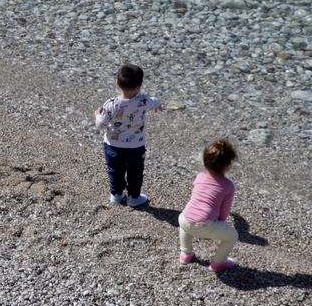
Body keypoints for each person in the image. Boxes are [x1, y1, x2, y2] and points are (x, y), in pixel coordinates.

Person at [94, 63, 162, 207]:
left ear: (117, 83)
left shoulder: (110, 104)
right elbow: (155, 101)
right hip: (136, 146)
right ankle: (134, 197)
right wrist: (158, 104)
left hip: (113, 146)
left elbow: (101, 125)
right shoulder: (143, 101)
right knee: (135, 172)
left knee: (115, 171)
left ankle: (116, 195)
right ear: (139, 86)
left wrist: (97, 115)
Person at [178, 139, 239, 272]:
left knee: (185, 225)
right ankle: (218, 263)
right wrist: (219, 224)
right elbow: (224, 211)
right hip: (206, 224)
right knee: (233, 235)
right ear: (228, 165)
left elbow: (195, 195)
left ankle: (186, 254)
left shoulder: (200, 176)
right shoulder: (228, 185)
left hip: (184, 218)